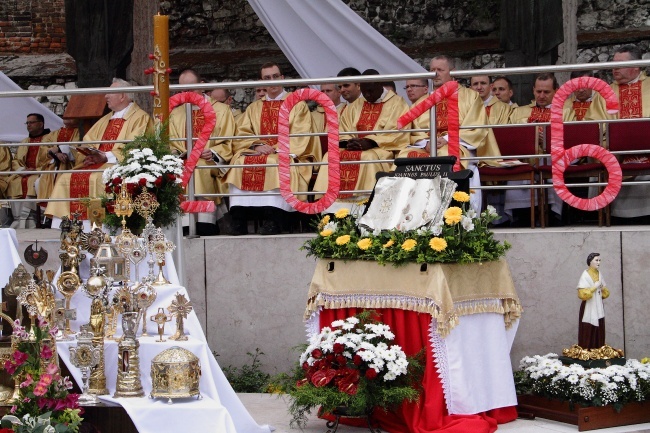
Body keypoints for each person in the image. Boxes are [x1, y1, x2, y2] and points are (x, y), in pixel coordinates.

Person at [223, 62, 321, 235]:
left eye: (275, 76)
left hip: (286, 153)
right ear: (261, 81)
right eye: (267, 78)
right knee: (239, 161)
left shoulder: (297, 105)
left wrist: (274, 149)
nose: (272, 81)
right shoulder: (254, 107)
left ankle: (274, 219)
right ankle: (239, 219)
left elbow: (301, 134)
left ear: (282, 78)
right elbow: (242, 133)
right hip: (257, 150)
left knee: (273, 161)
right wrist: (257, 145)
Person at [395, 55, 501, 212]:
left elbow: (475, 127)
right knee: (404, 156)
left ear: (452, 72)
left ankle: (448, 208)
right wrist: (426, 142)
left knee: (444, 155)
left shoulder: (470, 96)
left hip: (460, 144)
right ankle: (410, 211)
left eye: (440, 70)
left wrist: (446, 139)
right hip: (428, 145)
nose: (435, 74)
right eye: (432, 70)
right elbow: (414, 130)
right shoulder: (424, 100)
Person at [45, 78, 153, 223]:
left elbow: (137, 146)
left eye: (110, 93)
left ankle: (100, 224)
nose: (105, 96)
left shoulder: (140, 118)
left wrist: (106, 157)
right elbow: (88, 141)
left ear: (122, 96)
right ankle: (69, 224)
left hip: (119, 164)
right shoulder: (105, 119)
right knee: (66, 178)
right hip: (97, 164)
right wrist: (88, 155)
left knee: (97, 178)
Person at [313, 69, 410, 212]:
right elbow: (343, 128)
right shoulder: (357, 104)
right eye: (365, 92)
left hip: (382, 149)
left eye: (371, 91)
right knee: (330, 156)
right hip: (355, 146)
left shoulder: (397, 103)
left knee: (368, 157)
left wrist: (369, 142)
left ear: (379, 85)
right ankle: (332, 208)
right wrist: (348, 142)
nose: (368, 95)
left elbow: (398, 133)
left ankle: (367, 205)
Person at [169, 70, 237, 236]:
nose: (186, 93)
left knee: (197, 167)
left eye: (190, 88)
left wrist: (213, 152)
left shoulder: (220, 110)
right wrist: (179, 154)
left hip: (210, 162)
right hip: (183, 161)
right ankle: (185, 225)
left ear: (202, 86)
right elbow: (171, 142)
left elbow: (229, 141)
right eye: (182, 89)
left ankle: (205, 223)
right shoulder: (176, 113)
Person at [507, 73, 572, 225]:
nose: (541, 96)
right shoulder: (520, 112)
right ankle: (520, 215)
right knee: (514, 164)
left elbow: (570, 139)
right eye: (538, 91)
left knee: (552, 163)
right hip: (525, 157)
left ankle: (552, 214)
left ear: (556, 91)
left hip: (552, 156)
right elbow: (511, 137)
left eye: (547, 92)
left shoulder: (566, 112)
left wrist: (548, 140)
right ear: (533, 90)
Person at [608, 44, 650, 220]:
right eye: (613, 64)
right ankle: (616, 216)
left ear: (636, 67)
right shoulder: (606, 92)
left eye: (621, 64)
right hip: (618, 156)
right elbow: (594, 125)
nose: (614, 68)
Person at [5, 113, 54, 228]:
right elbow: (16, 160)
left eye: (31, 122)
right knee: (13, 182)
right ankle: (19, 219)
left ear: (41, 124)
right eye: (27, 123)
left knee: (32, 181)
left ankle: (34, 219)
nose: (28, 125)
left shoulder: (49, 139)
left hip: (41, 173)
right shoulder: (25, 141)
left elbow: (50, 160)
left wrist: (35, 170)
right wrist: (22, 170)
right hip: (24, 173)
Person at [577, 252, 609, 349]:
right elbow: (582, 294)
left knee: (599, 325)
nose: (598, 262)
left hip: (598, 305)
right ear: (590, 262)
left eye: (599, 260)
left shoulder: (599, 274)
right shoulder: (585, 275)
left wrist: (602, 288)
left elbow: (606, 293)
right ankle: (587, 348)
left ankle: (599, 347)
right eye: (596, 260)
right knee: (588, 326)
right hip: (589, 306)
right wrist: (593, 287)